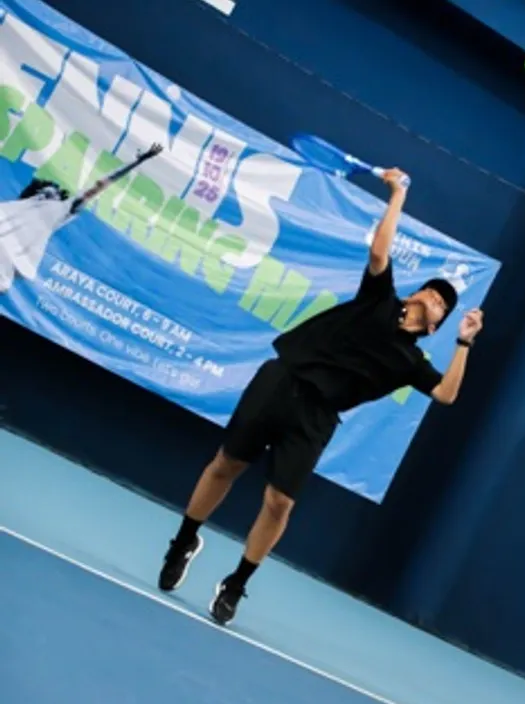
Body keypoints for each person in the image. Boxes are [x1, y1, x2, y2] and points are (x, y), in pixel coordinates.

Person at [158, 168, 484, 625]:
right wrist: (398, 194)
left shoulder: (411, 361)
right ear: (414, 293)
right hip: (280, 379)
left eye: (442, 303)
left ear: (435, 327)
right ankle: (184, 540)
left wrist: (464, 341)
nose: (434, 296)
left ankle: (236, 583)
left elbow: (446, 394)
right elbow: (379, 249)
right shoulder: (378, 299)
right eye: (431, 289)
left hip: (316, 415)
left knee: (280, 503)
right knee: (225, 464)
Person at [0, 143, 163, 293]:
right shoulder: (12, 209)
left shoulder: (61, 210)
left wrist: (137, 161)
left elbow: (101, 184)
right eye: (44, 192)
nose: (46, 196)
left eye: (53, 194)